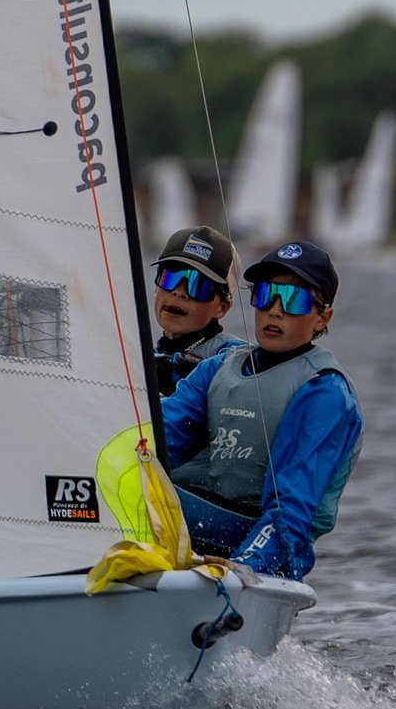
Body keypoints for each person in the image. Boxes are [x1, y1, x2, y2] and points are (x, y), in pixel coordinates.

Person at [161, 239, 362, 581]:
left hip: (265, 544)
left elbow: (290, 510)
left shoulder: (325, 392)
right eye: (266, 295)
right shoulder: (219, 367)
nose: (275, 310)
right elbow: (155, 439)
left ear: (322, 317)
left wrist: (244, 568)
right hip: (203, 524)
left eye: (294, 300)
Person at [147, 224, 240, 400]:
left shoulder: (234, 356)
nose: (178, 292)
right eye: (170, 277)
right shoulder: (139, 359)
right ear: (156, 289)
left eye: (198, 285)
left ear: (222, 307)